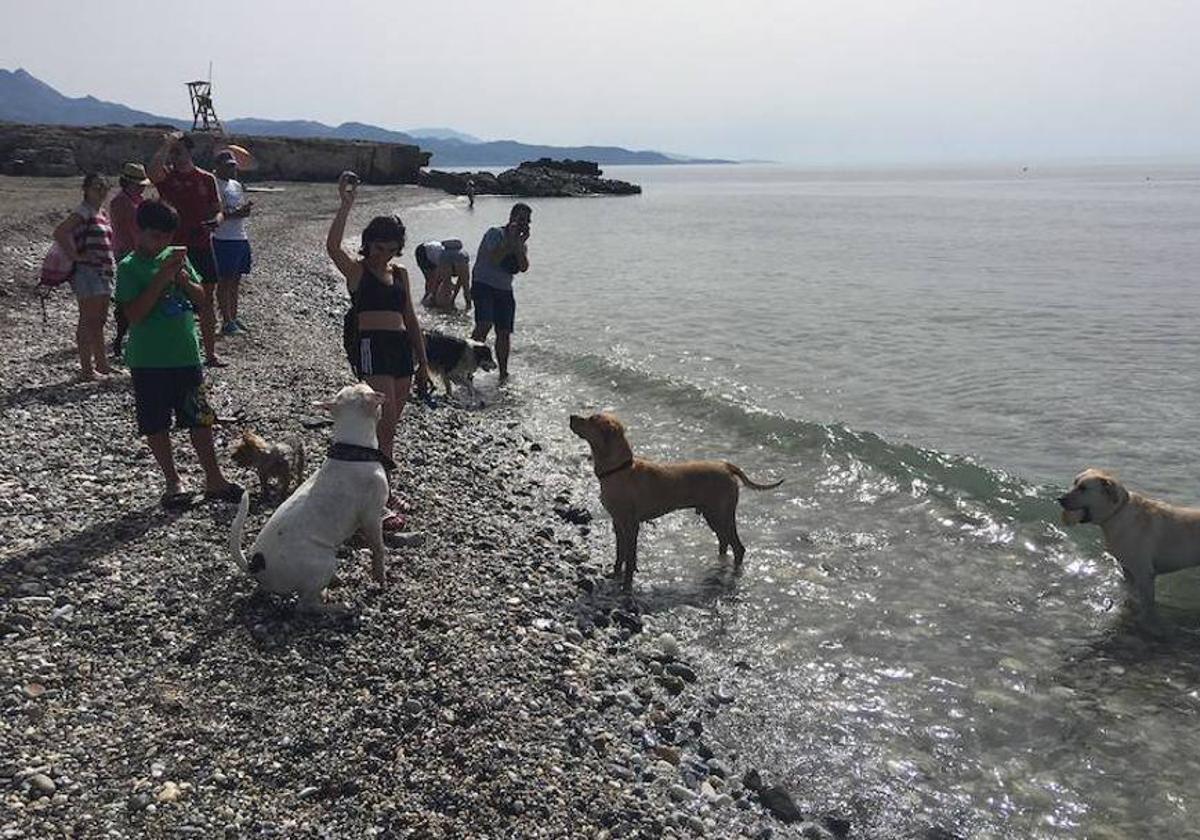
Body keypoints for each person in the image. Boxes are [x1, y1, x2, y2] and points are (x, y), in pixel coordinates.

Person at [113, 200, 243, 508]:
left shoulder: (178, 261)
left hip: (186, 355)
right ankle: (173, 481)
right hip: (149, 361)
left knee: (199, 418)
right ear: (138, 232)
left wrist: (182, 278)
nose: (162, 243)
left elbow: (201, 300)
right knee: (156, 422)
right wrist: (161, 277)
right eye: (156, 237)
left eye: (167, 237)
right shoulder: (130, 267)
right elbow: (134, 314)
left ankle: (214, 478)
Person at [326, 171, 431, 530]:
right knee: (381, 419)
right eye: (378, 247)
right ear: (368, 243)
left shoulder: (399, 273)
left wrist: (423, 363)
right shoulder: (357, 272)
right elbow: (332, 248)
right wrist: (346, 204)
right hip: (372, 347)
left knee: (392, 424)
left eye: (390, 249)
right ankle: (377, 494)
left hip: (401, 349)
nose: (383, 254)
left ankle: (382, 485)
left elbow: (411, 318)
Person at [148, 133, 226, 367]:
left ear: (189, 152)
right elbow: (151, 171)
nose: (175, 154)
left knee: (206, 299)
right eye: (173, 151)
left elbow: (218, 209)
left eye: (179, 150)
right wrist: (166, 144)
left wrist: (218, 220)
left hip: (201, 244)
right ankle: (170, 350)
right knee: (168, 297)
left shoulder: (206, 178)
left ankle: (210, 353)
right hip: (172, 247)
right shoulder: (167, 177)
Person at [52, 173, 116, 381]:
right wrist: (76, 256)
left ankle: (102, 365)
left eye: (104, 187)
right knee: (88, 320)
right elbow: (61, 232)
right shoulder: (83, 211)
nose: (101, 190)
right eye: (97, 186)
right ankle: (87, 369)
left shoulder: (101, 212)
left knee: (99, 320)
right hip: (87, 272)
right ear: (86, 189)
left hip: (102, 272)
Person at [471, 202, 531, 383]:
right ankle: (467, 364)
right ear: (511, 217)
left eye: (527, 221)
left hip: (504, 289)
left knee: (504, 332)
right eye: (520, 219)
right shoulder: (494, 233)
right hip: (483, 284)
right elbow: (495, 258)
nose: (523, 224)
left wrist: (519, 244)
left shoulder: (521, 244)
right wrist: (509, 241)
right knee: (484, 325)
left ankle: (503, 372)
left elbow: (523, 267)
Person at [108, 162, 154, 356]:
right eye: (139, 184)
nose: (142, 187)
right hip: (127, 251)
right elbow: (130, 229)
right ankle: (120, 338)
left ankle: (131, 335)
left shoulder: (137, 200)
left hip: (137, 250)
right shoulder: (121, 202)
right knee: (129, 294)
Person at [211, 149, 255, 336]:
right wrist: (237, 212)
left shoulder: (236, 185)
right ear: (218, 166)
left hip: (240, 236)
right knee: (224, 281)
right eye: (228, 166)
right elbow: (218, 214)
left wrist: (244, 211)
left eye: (233, 166)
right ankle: (226, 320)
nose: (232, 170)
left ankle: (234, 317)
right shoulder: (214, 185)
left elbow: (236, 210)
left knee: (236, 280)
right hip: (223, 239)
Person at [416, 239, 472, 311]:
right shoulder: (450, 258)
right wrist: (453, 295)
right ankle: (429, 302)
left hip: (436, 252)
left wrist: (453, 297)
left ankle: (435, 302)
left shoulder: (454, 259)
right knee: (432, 281)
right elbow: (440, 280)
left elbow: (460, 283)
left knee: (440, 283)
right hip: (424, 252)